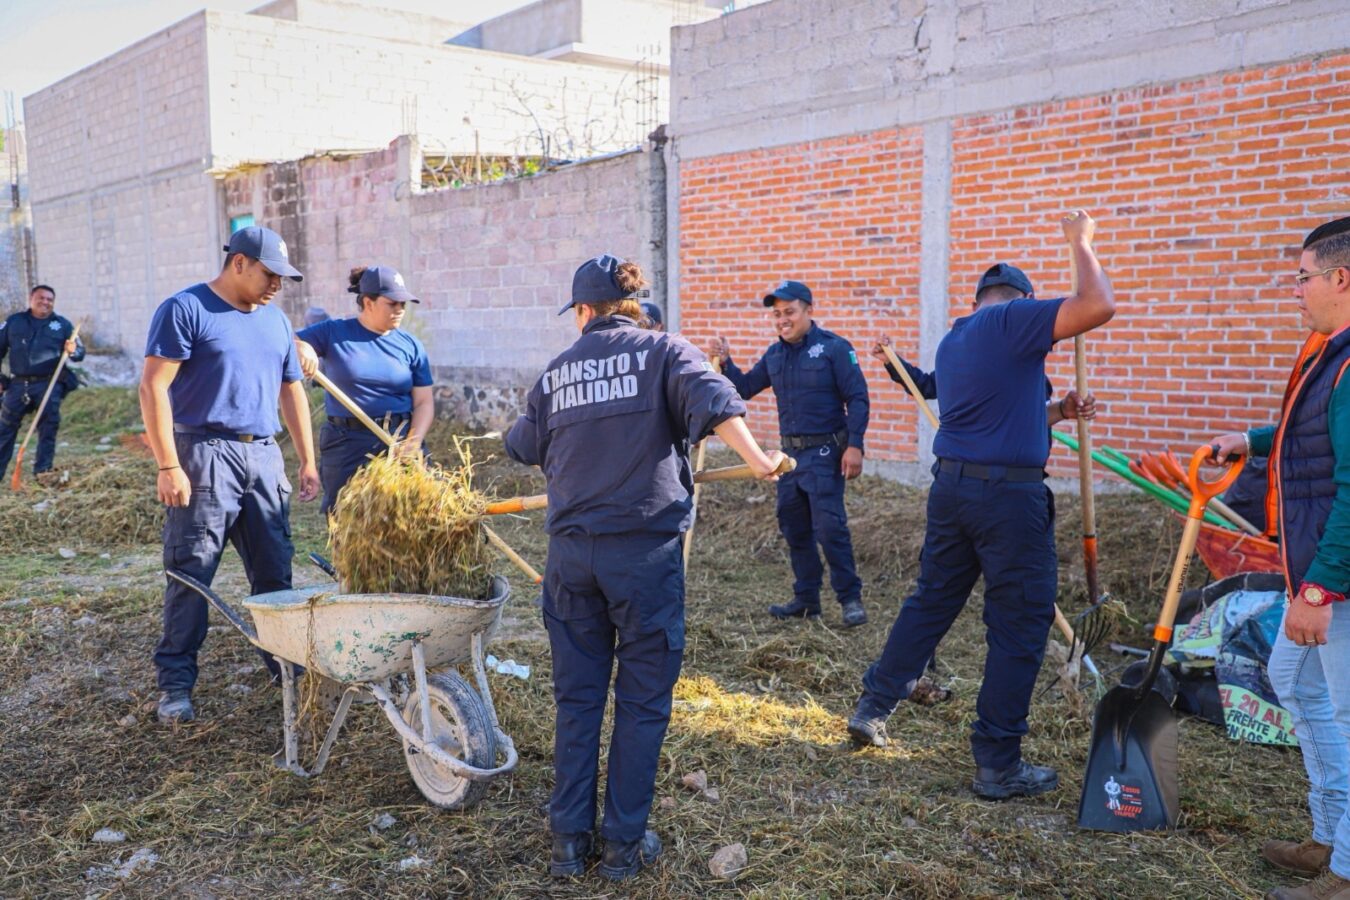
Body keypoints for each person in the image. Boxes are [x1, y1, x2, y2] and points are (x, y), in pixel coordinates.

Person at [505, 254, 782, 882]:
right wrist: (761, 460)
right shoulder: (664, 352)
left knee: (577, 702)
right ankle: (623, 850)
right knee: (641, 701)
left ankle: (567, 845)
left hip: (572, 559)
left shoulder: (556, 373)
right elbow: (717, 400)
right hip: (643, 559)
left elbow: (521, 445)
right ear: (635, 306)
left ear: (583, 311)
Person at [847, 210, 1115, 802]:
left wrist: (1060, 412)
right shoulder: (1014, 320)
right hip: (1006, 501)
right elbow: (1096, 304)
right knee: (1019, 626)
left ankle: (873, 706)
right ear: (1021, 302)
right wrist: (1081, 243)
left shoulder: (960, 338)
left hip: (954, 492)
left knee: (932, 601)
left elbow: (993, 417)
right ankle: (998, 762)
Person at [1207, 216, 1350, 900]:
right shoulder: (1332, 354)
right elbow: (1313, 435)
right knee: (1293, 680)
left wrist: (1319, 590)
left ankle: (1347, 872)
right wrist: (1252, 439)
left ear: (1340, 278)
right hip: (1317, 569)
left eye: (1303, 277)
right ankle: (1329, 836)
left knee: (1346, 712)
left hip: (1336, 580)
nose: (1296, 290)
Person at [139, 225, 320, 725]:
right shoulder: (187, 309)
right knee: (192, 574)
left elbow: (291, 392)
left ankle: (285, 672)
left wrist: (306, 459)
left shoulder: (277, 322)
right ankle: (175, 686)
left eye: (284, 277)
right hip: (203, 456)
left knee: (275, 576)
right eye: (269, 273)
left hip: (262, 458)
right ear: (238, 262)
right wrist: (168, 463)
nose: (277, 285)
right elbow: (153, 387)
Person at [712, 280, 871, 627]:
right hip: (788, 459)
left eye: (790, 312)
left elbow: (857, 397)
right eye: (777, 314)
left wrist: (855, 445)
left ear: (809, 311)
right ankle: (807, 599)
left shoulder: (834, 349)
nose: (783, 320)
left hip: (826, 453)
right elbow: (745, 388)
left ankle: (850, 599)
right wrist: (726, 363)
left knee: (831, 528)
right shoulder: (775, 355)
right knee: (794, 527)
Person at [294, 265, 434, 514]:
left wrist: (413, 441)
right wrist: (301, 347)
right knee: (348, 518)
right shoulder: (334, 332)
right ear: (368, 302)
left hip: (400, 439)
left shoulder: (410, 345)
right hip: (348, 442)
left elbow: (424, 402)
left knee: (415, 515)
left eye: (403, 304)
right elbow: (287, 341)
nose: (400, 310)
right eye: (392, 303)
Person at [0, 284, 85, 483]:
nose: (45, 302)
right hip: (18, 385)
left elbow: (80, 353)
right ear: (31, 298)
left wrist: (74, 350)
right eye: (41, 298)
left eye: (49, 299)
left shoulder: (62, 325)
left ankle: (42, 472)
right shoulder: (15, 322)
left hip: (49, 385)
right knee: (4, 429)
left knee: (48, 428)